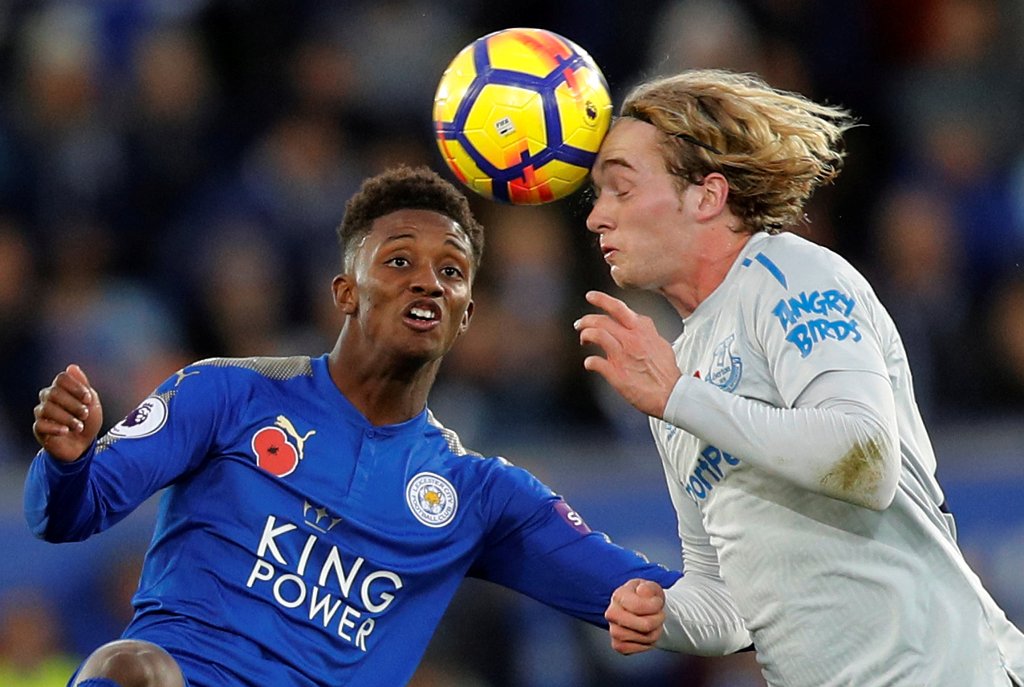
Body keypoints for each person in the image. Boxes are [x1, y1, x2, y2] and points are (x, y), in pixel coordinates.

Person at [25, 165, 682, 687]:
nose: (427, 282)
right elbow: (66, 513)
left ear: (467, 313)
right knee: (133, 667)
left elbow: (651, 596)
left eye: (450, 271)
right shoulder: (227, 393)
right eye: (399, 261)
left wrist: (699, 413)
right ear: (345, 291)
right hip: (178, 674)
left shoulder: (481, 497)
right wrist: (65, 460)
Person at [574, 68, 1024, 686]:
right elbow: (728, 599)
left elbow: (865, 458)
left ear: (707, 195)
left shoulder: (790, 275)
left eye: (619, 189)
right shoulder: (677, 372)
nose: (597, 216)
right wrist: (664, 615)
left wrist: (682, 396)